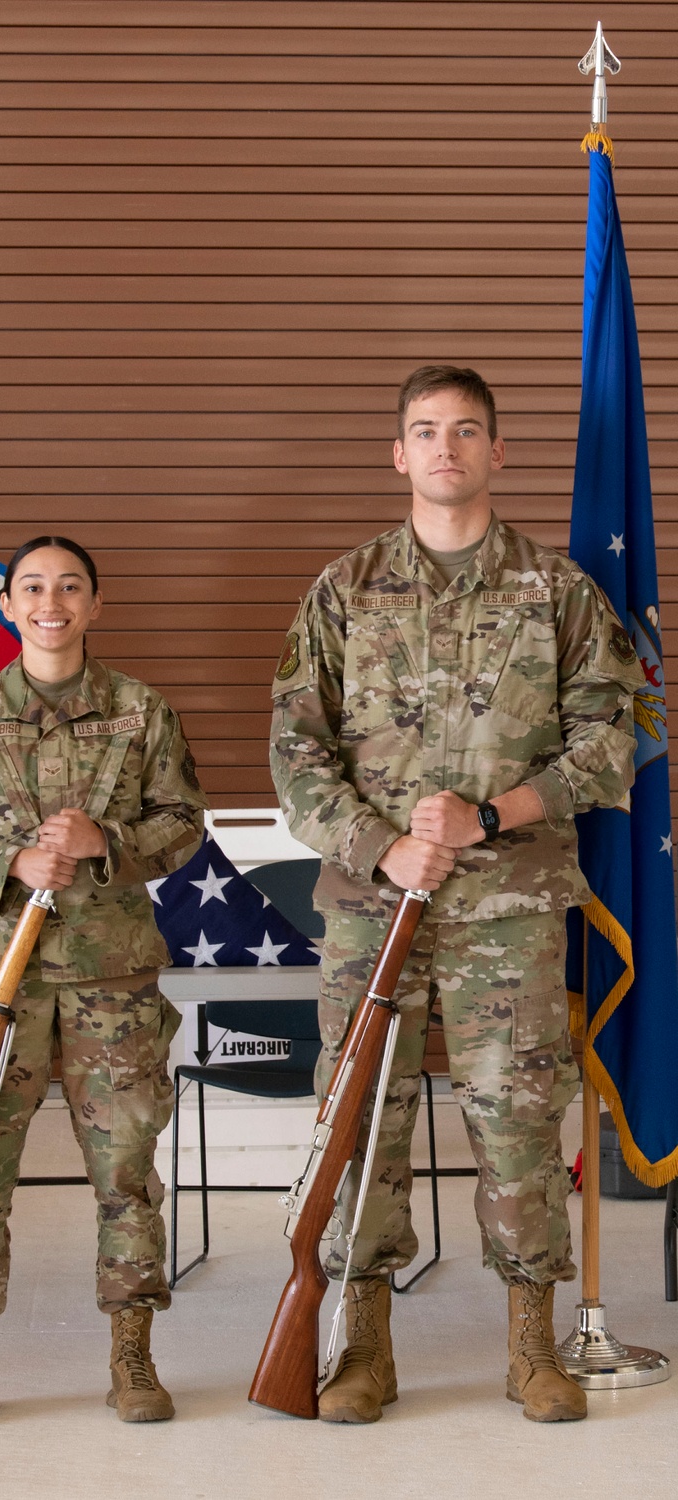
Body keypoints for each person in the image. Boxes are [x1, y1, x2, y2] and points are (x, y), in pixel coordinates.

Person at [270, 366, 644, 1425]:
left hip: (508, 908)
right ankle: (363, 1349)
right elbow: (295, 756)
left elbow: (612, 739)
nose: (445, 448)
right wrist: (380, 846)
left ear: (496, 452)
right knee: (361, 1123)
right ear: (398, 454)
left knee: (518, 1121)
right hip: (371, 910)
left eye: (466, 431)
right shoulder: (342, 592)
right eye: (425, 431)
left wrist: (491, 815)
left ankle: (532, 1345)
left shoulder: (559, 592)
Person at [0, 535, 207, 1427]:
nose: (51, 602)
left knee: (125, 1172)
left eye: (70, 587)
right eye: (33, 586)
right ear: (8, 603)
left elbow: (184, 823)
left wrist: (106, 844)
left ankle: (134, 1359)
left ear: (95, 605)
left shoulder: (140, 711)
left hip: (111, 982)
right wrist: (7, 865)